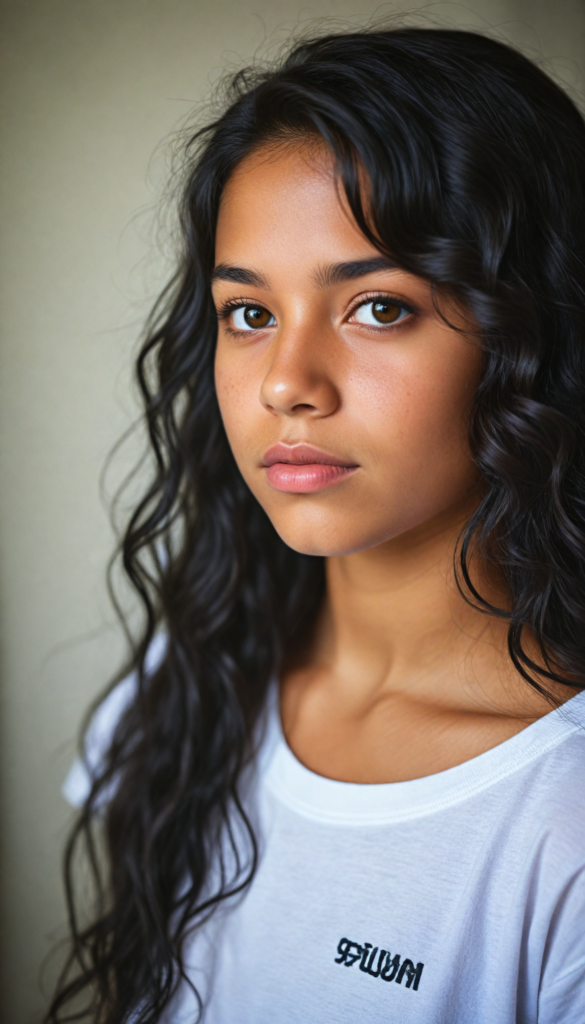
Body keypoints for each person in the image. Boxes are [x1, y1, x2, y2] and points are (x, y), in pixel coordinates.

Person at [47, 26, 585, 1024]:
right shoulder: (190, 682)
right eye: (248, 315)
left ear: (532, 332)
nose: (287, 383)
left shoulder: (562, 821)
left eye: (378, 307)